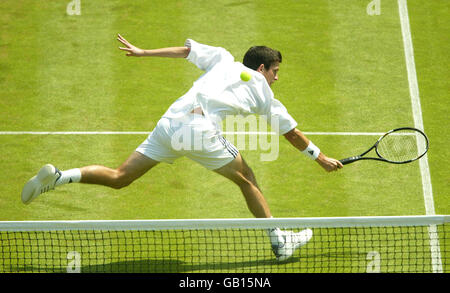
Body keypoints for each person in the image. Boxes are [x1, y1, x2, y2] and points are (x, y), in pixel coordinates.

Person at [21, 34, 343, 261]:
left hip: (171, 121)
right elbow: (291, 133)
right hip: (199, 129)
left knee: (120, 176)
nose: (276, 78)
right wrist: (321, 158)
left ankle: (60, 177)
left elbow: (185, 51)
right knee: (247, 178)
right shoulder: (262, 90)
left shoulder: (221, 58)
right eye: (275, 72)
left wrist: (144, 52)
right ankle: (279, 241)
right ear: (262, 69)